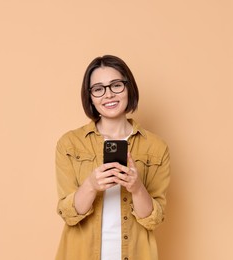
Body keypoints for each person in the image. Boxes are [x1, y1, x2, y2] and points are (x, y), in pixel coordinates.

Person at [55, 55, 170, 260]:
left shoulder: (156, 147)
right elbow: (69, 214)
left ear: (128, 88)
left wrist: (136, 187)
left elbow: (153, 220)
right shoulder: (70, 144)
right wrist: (91, 184)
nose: (108, 95)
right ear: (90, 96)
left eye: (116, 85)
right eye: (98, 89)